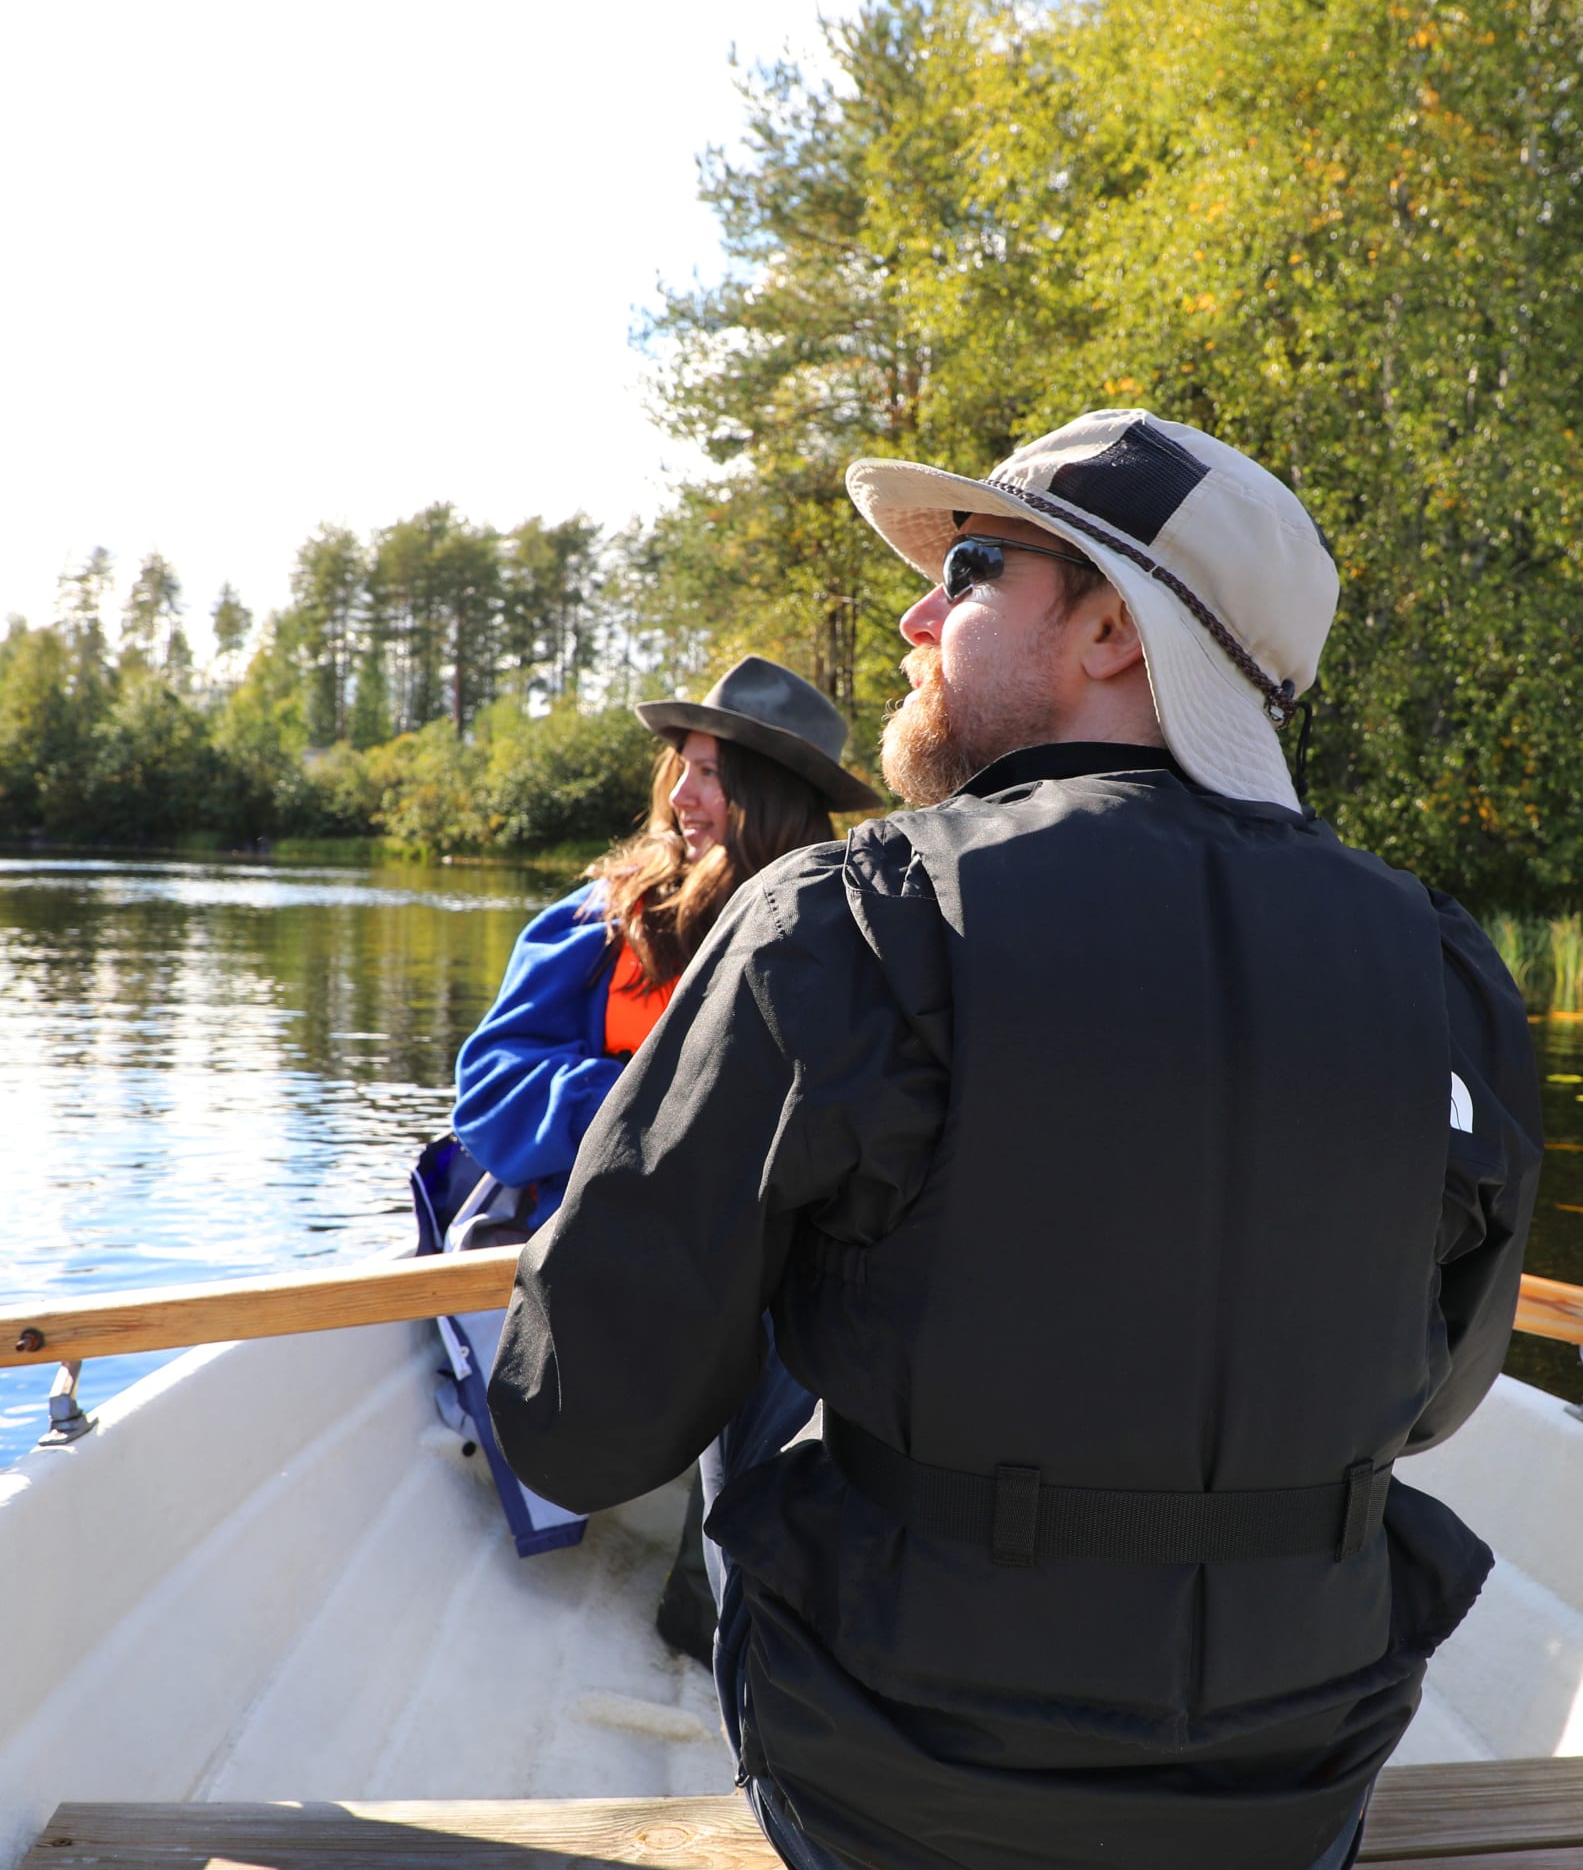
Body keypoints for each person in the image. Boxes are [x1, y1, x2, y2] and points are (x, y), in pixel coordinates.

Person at [486, 411, 1542, 1870]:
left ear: (1112, 629)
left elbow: (582, 1426)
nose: (917, 616)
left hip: (892, 1794)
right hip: (1292, 1790)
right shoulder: (1441, 968)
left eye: (971, 569)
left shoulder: (841, 920)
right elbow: (1432, 1402)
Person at [447, 655, 878, 1634]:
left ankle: (729, 1601)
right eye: (678, 768)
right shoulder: (598, 924)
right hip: (624, 1252)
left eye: (712, 775)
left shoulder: (851, 925)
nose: (681, 795)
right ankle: (719, 1600)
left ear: (772, 796)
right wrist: (666, 1098)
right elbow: (490, 1095)